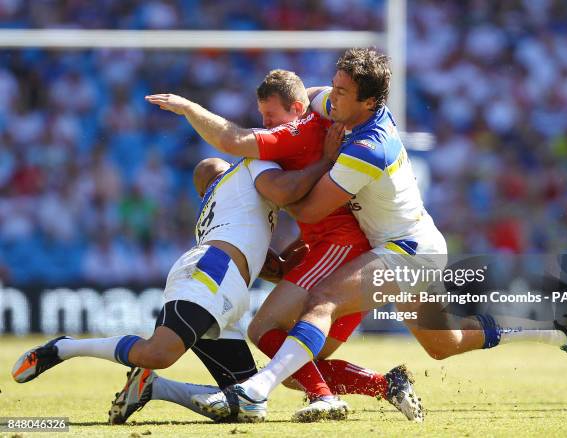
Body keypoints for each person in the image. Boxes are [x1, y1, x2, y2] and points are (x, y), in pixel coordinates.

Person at [191, 48, 567, 422]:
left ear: (369, 102)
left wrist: (271, 184)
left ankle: (257, 390)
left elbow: (310, 207)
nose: (331, 97)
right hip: (407, 245)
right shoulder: (336, 105)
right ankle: (552, 327)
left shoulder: (369, 147)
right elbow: (305, 102)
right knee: (446, 343)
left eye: (342, 92)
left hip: (409, 251)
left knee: (323, 302)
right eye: (333, 85)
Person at [145, 69, 423, 423]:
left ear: (294, 109)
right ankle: (387, 385)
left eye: (270, 116)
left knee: (263, 330)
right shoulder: (317, 118)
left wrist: (188, 108)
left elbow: (235, 143)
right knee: (296, 362)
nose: (265, 124)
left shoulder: (298, 131)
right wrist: (291, 252)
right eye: (262, 116)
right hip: (333, 248)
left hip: (340, 248)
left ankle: (324, 399)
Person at [12, 149, 336, 424]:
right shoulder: (241, 175)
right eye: (220, 168)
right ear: (217, 181)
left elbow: (274, 269)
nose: (223, 165)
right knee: (158, 352)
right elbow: (290, 189)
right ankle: (64, 347)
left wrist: (308, 249)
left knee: (246, 402)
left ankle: (155, 388)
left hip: (225, 288)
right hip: (212, 273)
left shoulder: (231, 212)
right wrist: (326, 159)